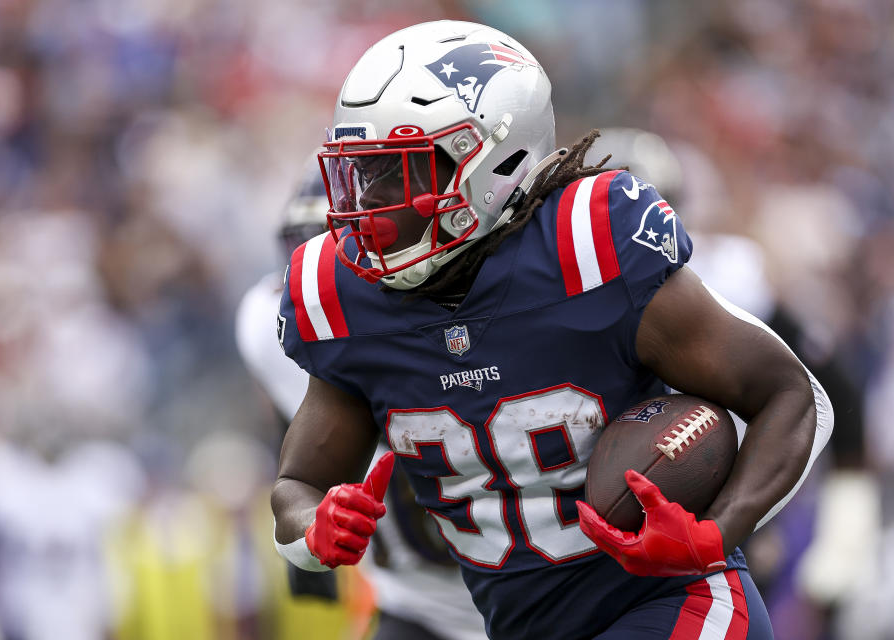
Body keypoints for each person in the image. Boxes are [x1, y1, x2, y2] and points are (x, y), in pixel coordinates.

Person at [271, 20, 834, 640]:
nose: (367, 206)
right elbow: (299, 486)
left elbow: (789, 394)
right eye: (362, 173)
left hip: (670, 606)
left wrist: (717, 531)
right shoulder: (342, 296)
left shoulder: (588, 250)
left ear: (490, 162)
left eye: (397, 174)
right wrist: (313, 530)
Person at [236, 159, 487, 639]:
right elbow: (294, 453)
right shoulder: (272, 327)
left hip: (545, 598)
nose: (321, 293)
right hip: (416, 609)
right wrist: (309, 525)